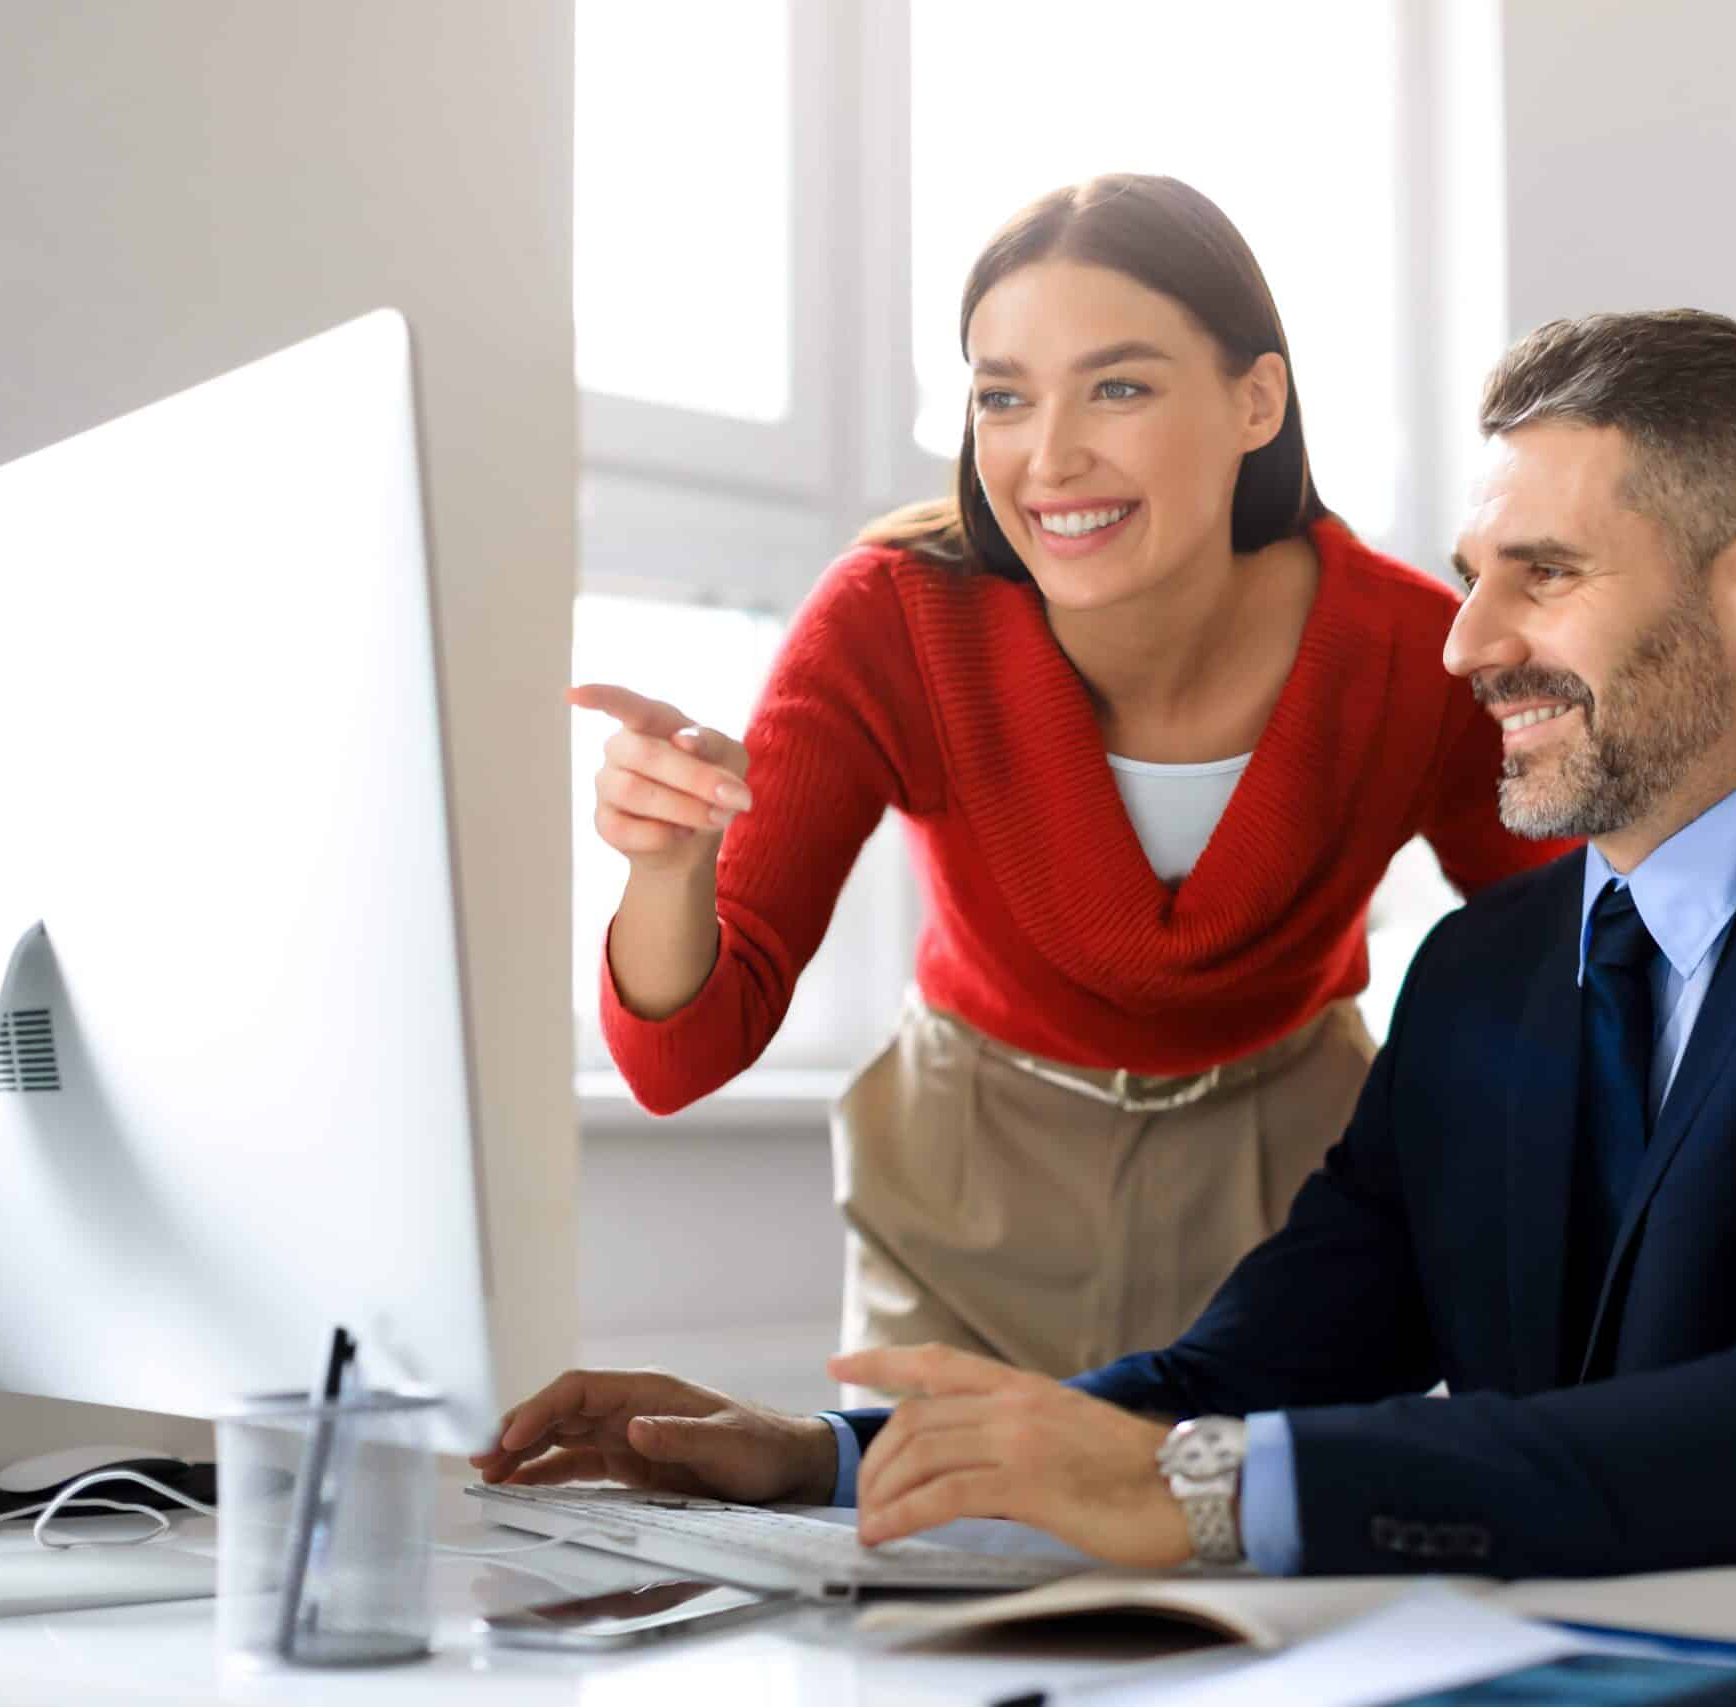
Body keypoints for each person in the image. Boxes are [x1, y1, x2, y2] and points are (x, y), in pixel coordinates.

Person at [483, 308, 1736, 1601]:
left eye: (1542, 575)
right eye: (1469, 576)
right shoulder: (1485, 974)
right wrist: (833, 1458)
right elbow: (1249, 1368)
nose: (1465, 645)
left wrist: (1204, 1491)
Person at [568, 174, 1570, 1391]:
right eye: (1003, 397)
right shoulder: (892, 621)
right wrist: (669, 868)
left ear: (1255, 401)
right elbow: (677, 1062)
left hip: (1297, 1212)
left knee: (1259, 1521)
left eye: (1119, 388)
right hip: (964, 1200)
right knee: (935, 1521)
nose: (1048, 458)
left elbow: (1581, 963)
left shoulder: (1419, 652)